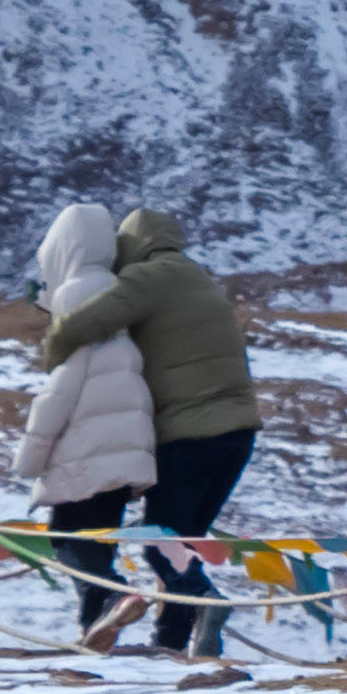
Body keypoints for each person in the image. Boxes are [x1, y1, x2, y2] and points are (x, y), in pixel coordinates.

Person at [35, 206, 256, 657]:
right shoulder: (197, 276)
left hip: (190, 433)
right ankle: (172, 641)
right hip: (239, 432)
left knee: (160, 542)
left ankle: (203, 599)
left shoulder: (150, 277)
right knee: (181, 537)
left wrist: (53, 348)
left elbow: (84, 324)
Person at [17, 201, 166, 653]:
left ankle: (117, 595)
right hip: (125, 447)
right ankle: (95, 631)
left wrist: (30, 458)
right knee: (97, 542)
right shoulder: (122, 292)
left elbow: (61, 390)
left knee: (67, 540)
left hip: (84, 450)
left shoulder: (76, 297)